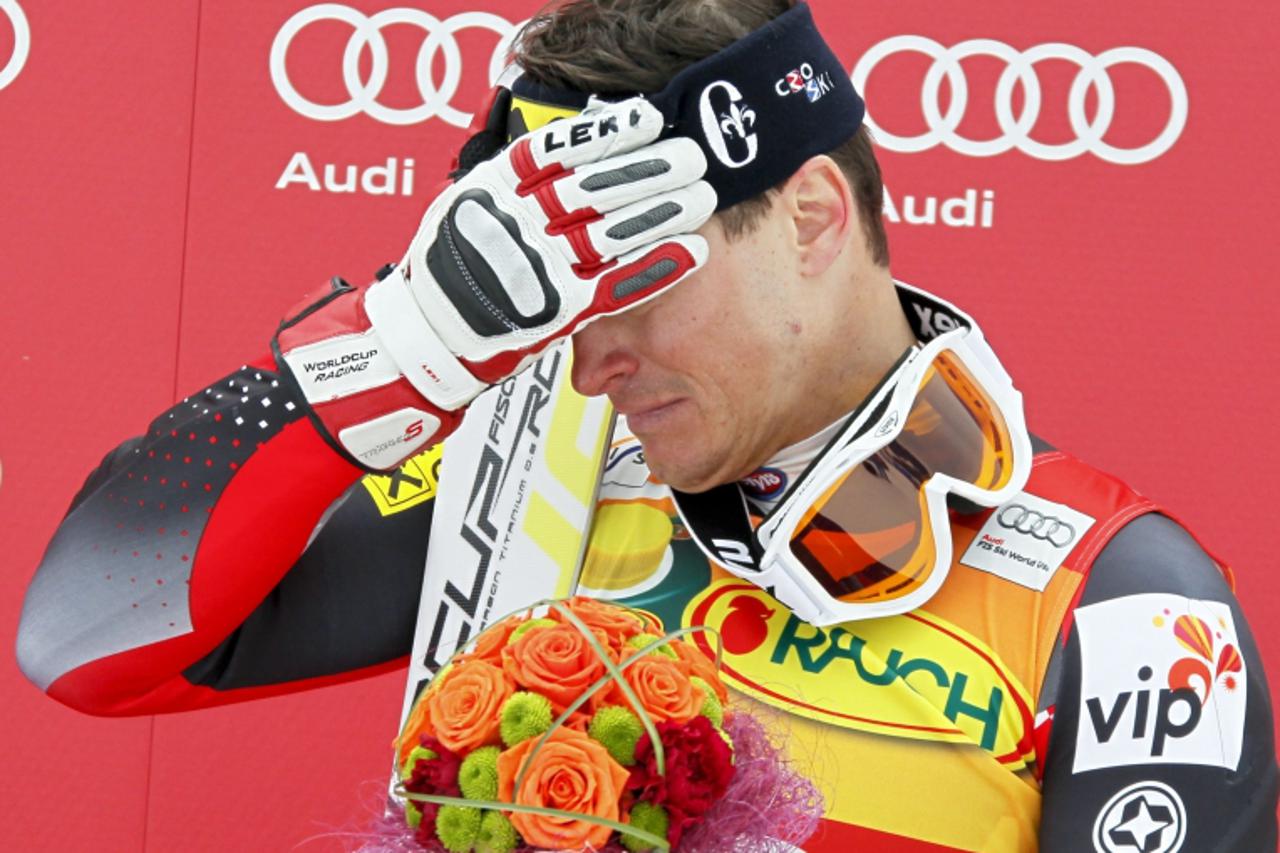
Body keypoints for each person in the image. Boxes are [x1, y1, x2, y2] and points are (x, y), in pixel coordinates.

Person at [15, 0, 1277, 850]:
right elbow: (82, 642)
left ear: (812, 217)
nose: (586, 357)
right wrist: (391, 347)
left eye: (631, 283)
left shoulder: (1125, 610)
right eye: (554, 300)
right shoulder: (532, 485)